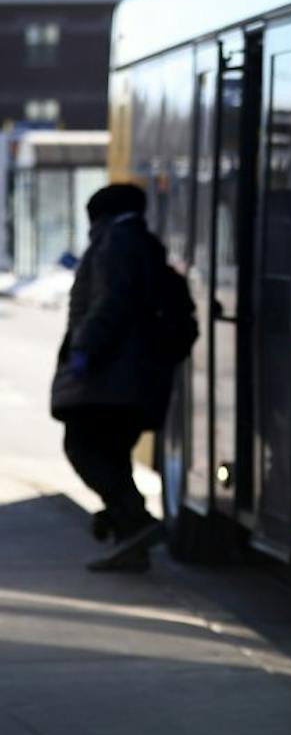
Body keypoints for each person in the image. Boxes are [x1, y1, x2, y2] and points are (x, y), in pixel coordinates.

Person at [51, 183, 173, 572]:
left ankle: (134, 521)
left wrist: (84, 347)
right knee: (113, 452)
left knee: (82, 446)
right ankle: (129, 543)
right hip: (135, 375)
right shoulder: (141, 241)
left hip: (111, 374)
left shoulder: (115, 243)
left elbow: (109, 301)